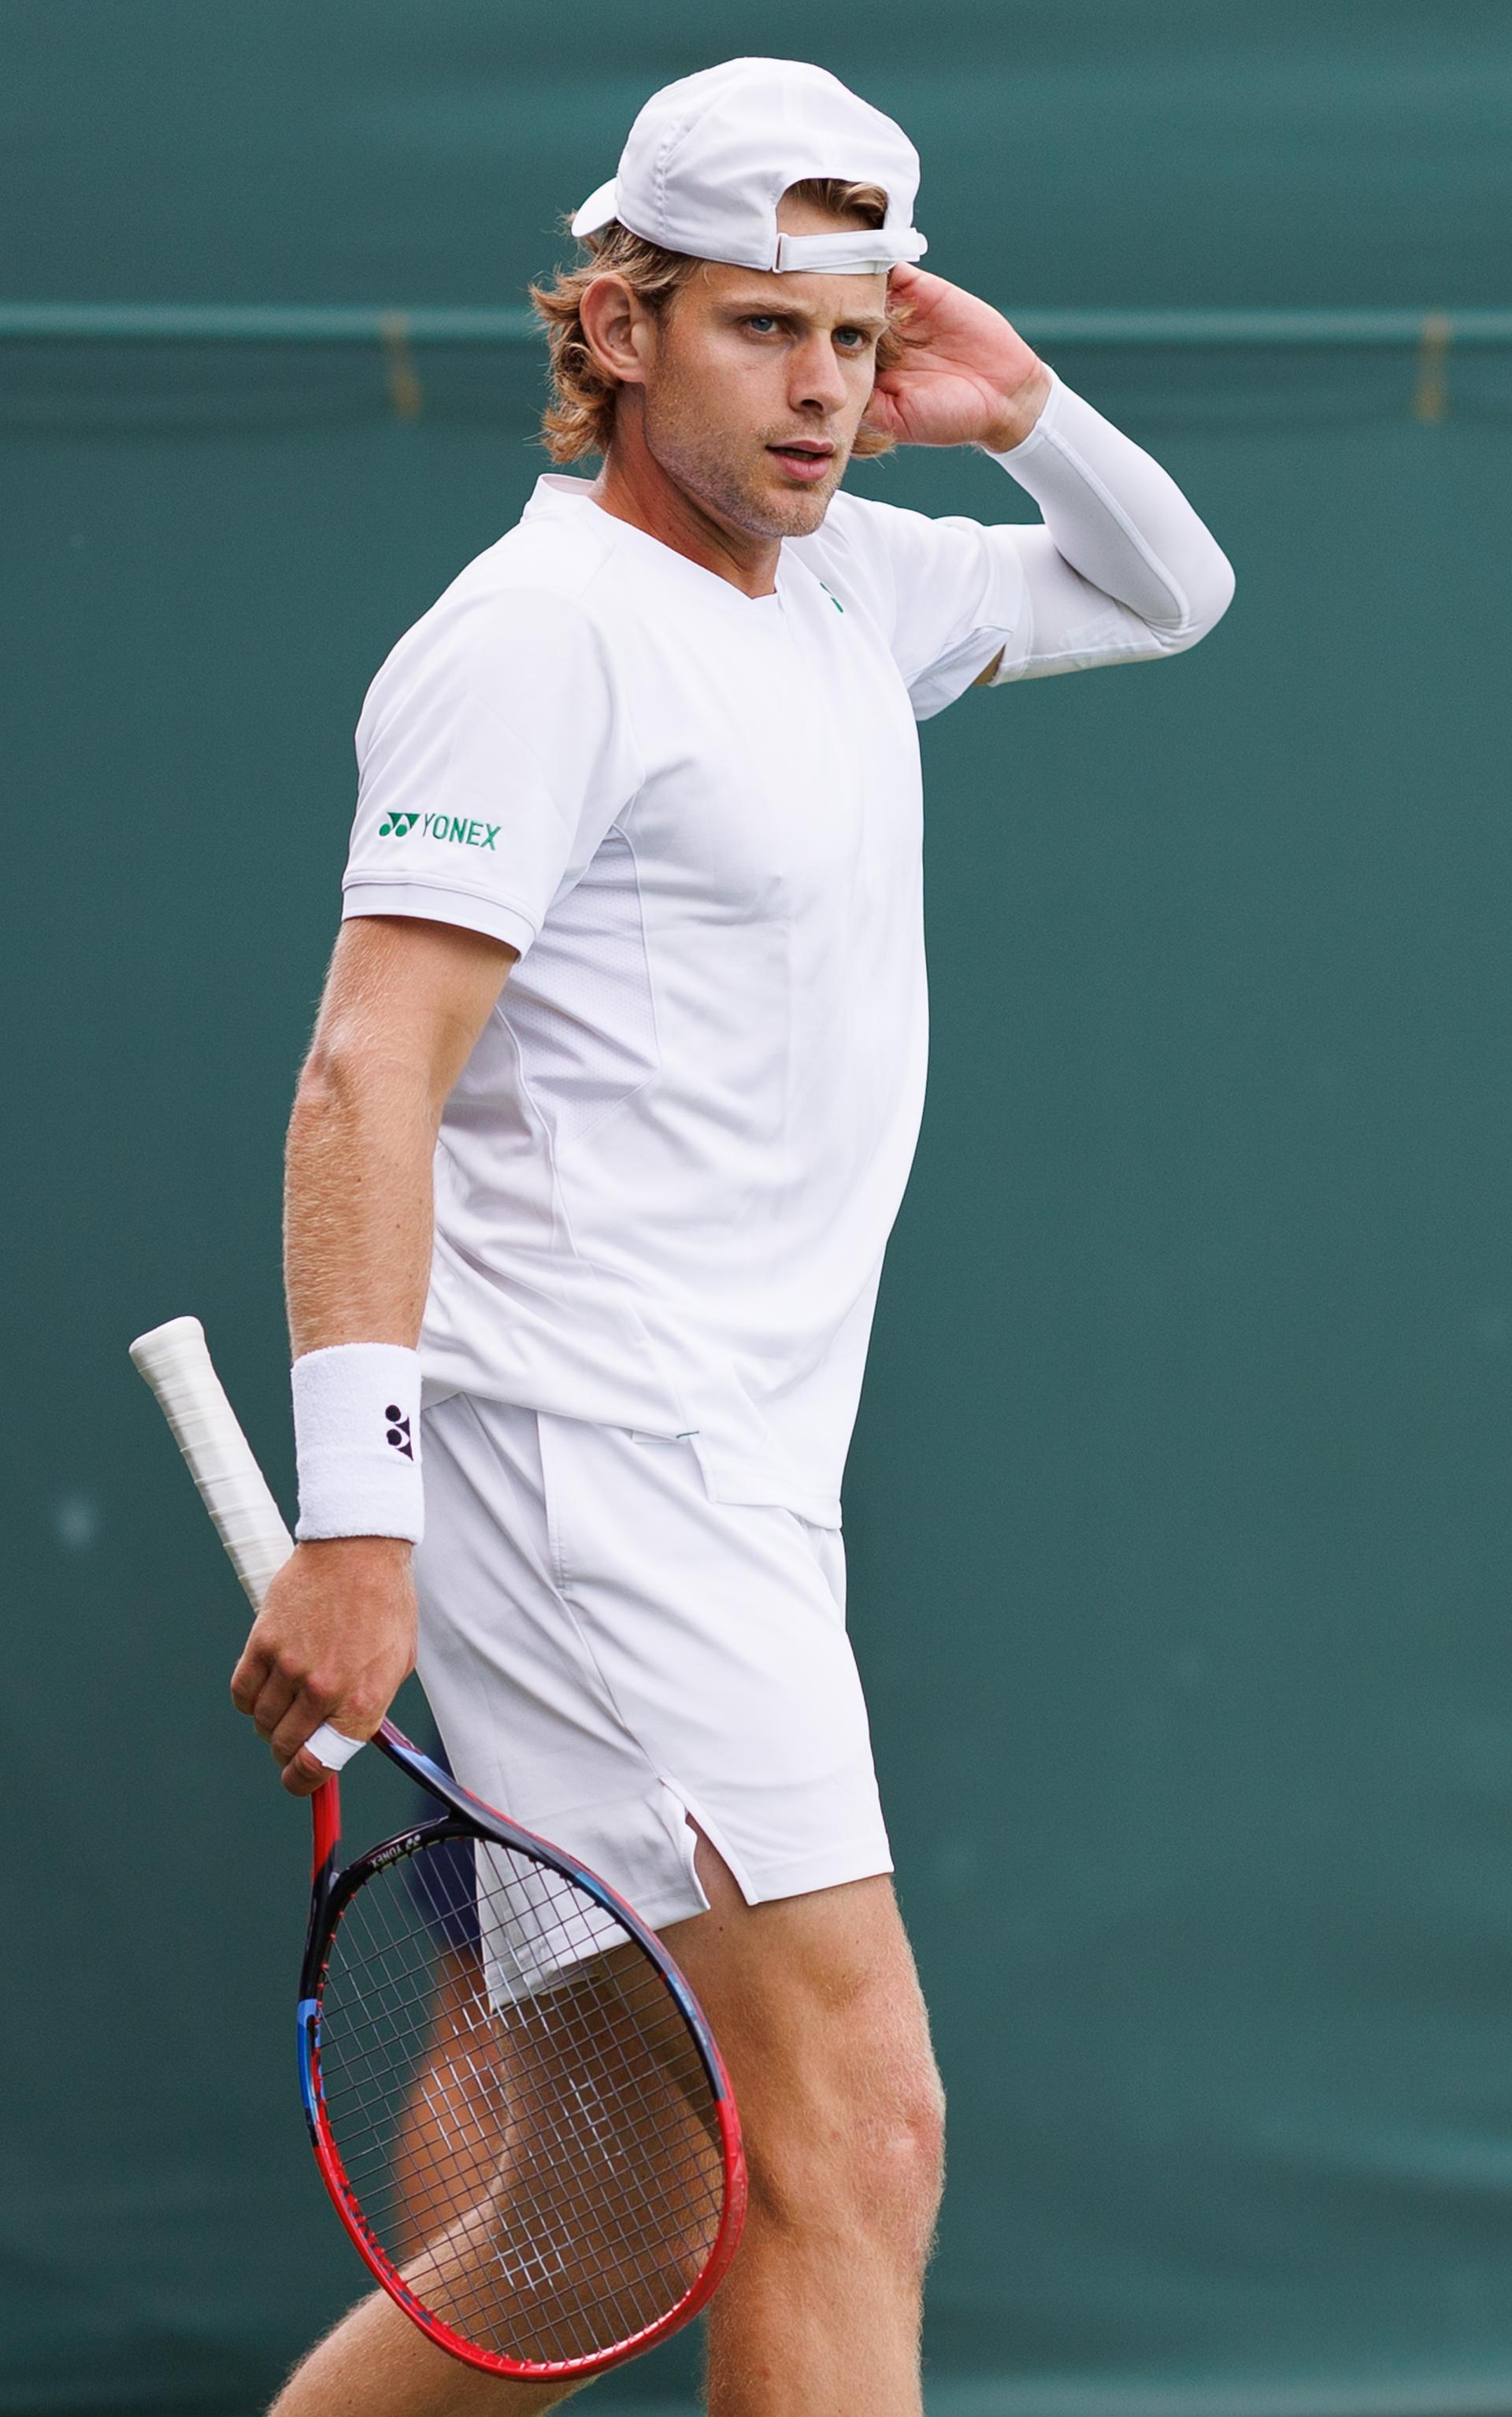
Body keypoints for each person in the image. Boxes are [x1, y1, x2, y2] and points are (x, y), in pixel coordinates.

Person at [230, 55, 1234, 2417]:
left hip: (733, 1481)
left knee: (609, 2217)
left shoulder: (854, 585)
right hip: (599, 1477)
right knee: (855, 2136)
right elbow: (367, 1071)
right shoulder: (538, 635)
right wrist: (356, 1523)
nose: (821, 389)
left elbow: (1170, 588)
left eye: (853, 338)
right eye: (763, 327)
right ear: (618, 328)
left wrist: (1015, 402)